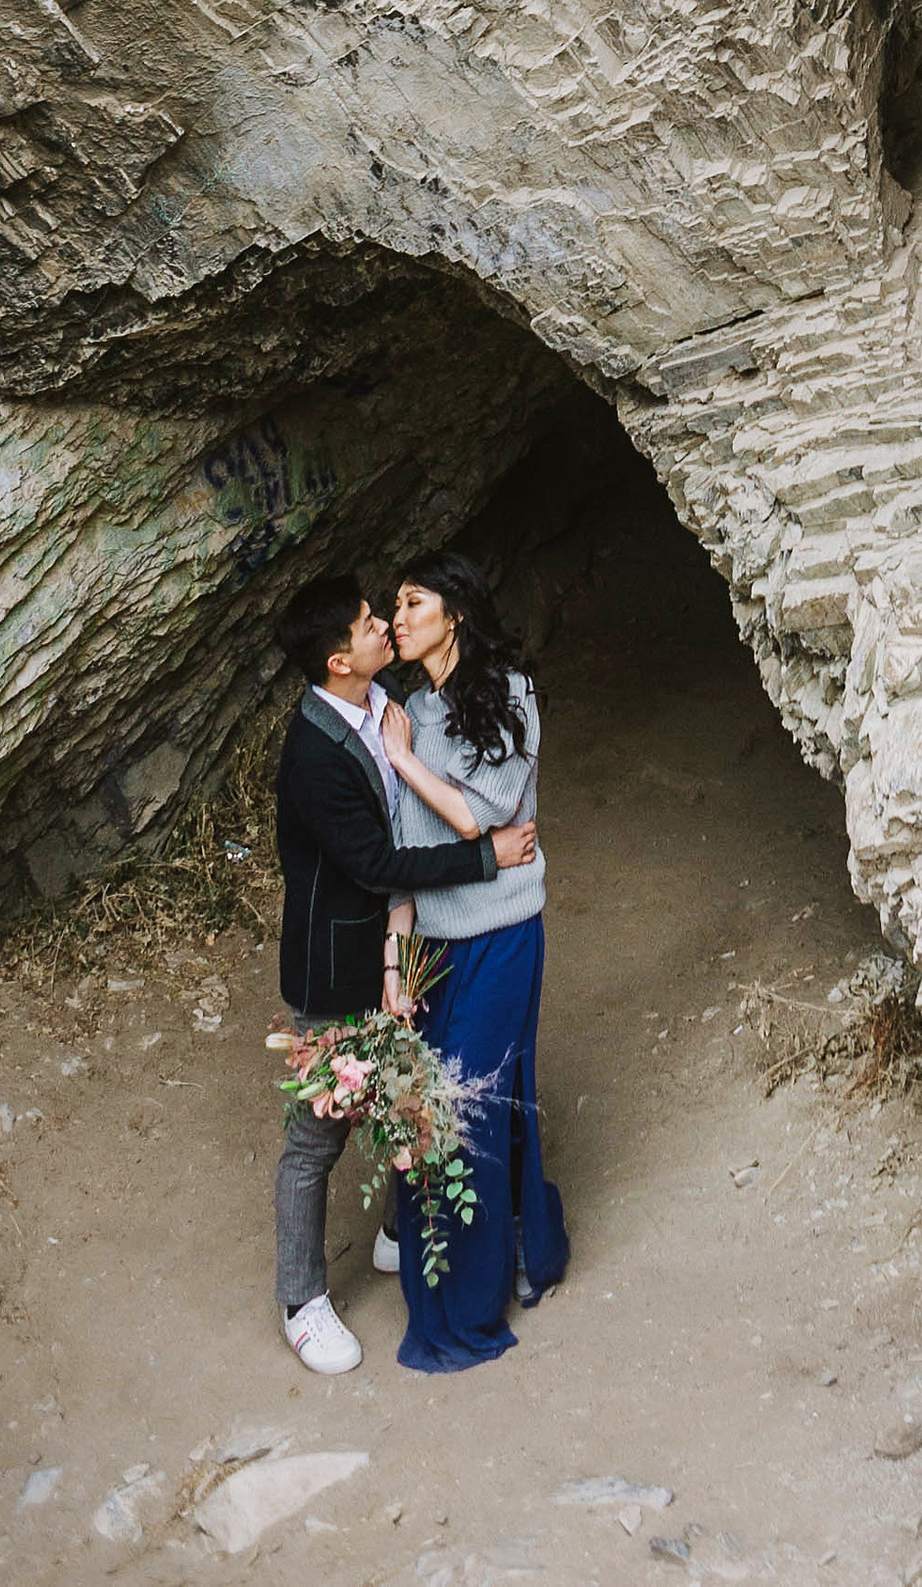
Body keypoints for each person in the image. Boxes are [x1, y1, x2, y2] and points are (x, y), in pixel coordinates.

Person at [269, 569, 538, 1374]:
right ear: (336, 660)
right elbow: (378, 857)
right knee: (317, 1136)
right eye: (364, 623)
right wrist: (486, 853)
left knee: (408, 1095)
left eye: (388, 611)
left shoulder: (387, 702)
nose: (383, 623)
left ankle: (398, 1232)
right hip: (335, 967)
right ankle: (300, 1299)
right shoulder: (316, 749)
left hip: (398, 950)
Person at [374, 547, 567, 1371]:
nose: (398, 617)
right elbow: (402, 852)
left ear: (454, 610)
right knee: (435, 1113)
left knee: (476, 1110)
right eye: (394, 605)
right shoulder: (409, 707)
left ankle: (473, 1299)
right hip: (435, 950)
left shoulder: (510, 697)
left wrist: (404, 757)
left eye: (414, 602)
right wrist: (394, 961)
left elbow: (477, 818)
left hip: (501, 934)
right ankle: (523, 1248)